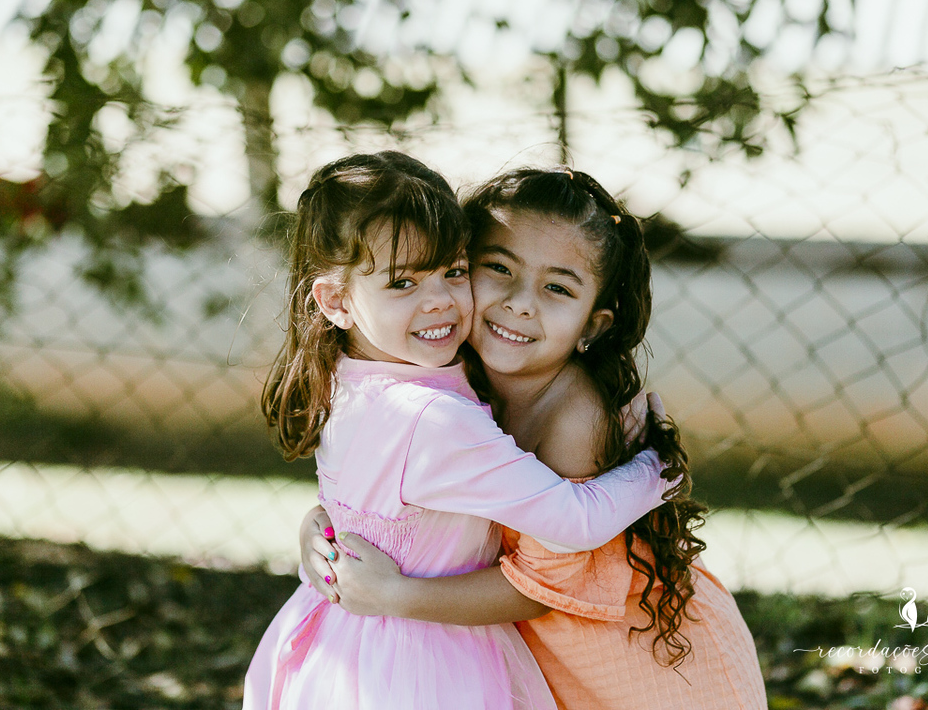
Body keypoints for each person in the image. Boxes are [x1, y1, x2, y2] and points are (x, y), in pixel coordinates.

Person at [303, 167, 768, 710]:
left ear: (591, 326)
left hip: (652, 670)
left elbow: (538, 588)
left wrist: (394, 596)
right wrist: (323, 527)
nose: (521, 303)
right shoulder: (446, 376)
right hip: (536, 663)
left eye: (556, 288)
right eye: (497, 268)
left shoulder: (573, 419)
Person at [242, 153, 677, 710]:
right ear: (336, 300)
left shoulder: (350, 378)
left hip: (343, 639)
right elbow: (575, 522)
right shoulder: (431, 419)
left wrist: (318, 535)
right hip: (418, 663)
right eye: (403, 282)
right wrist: (658, 465)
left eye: (453, 270)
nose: (441, 300)